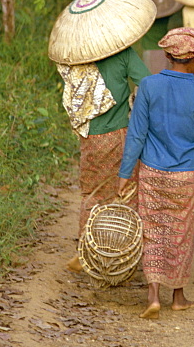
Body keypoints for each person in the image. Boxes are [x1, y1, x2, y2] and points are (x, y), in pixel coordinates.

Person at [117, 28, 194, 319]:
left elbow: (136, 134)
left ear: (169, 56)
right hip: (185, 176)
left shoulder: (148, 86)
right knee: (180, 234)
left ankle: (153, 294)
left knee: (153, 231)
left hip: (151, 172)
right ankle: (178, 296)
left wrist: (124, 172)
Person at [60, 46, 149, 272]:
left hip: (89, 136)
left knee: (92, 192)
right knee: (126, 192)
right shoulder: (123, 54)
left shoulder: (78, 55)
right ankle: (121, 256)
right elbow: (147, 83)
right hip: (118, 134)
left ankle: (85, 249)